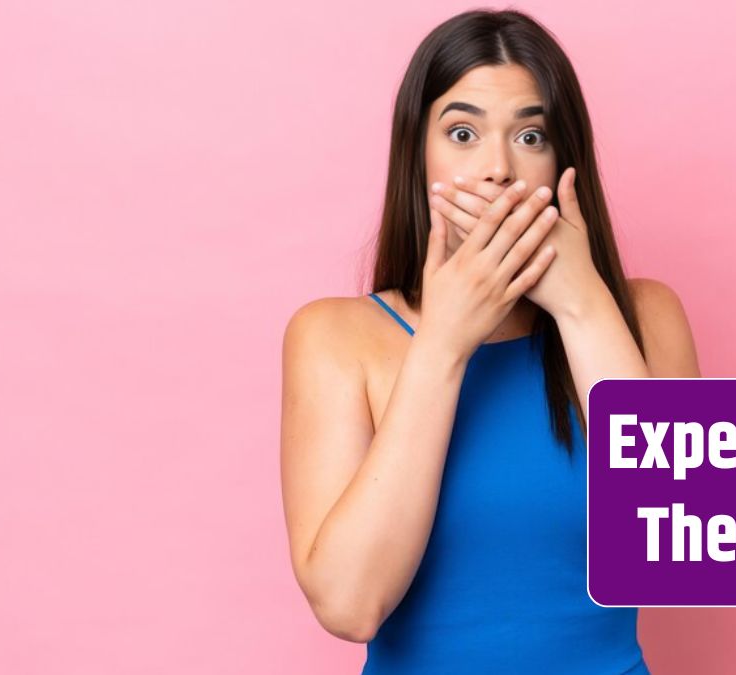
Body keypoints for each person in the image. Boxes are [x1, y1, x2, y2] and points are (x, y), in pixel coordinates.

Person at [280, 9, 699, 673]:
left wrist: (584, 305)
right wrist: (443, 344)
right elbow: (349, 603)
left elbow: (682, 548)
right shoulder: (335, 337)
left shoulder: (645, 317)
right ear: (418, 151)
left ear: (565, 157)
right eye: (464, 132)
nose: (498, 169)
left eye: (530, 135)